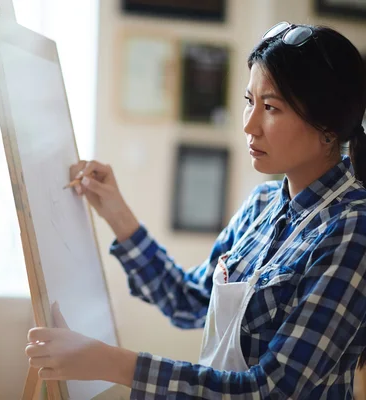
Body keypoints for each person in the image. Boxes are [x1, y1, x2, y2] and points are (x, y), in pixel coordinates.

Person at [24, 21, 366, 399]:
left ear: (328, 129)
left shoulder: (353, 229)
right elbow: (188, 302)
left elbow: (268, 390)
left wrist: (111, 363)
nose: (250, 125)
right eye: (249, 102)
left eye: (270, 107)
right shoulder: (262, 207)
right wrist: (116, 214)